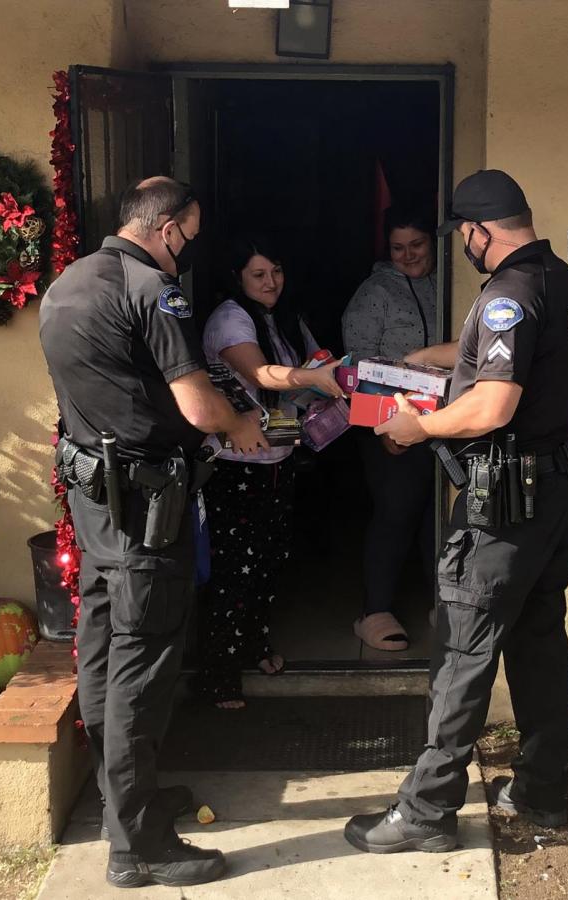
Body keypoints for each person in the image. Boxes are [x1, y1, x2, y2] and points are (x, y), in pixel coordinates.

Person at [343, 170, 568, 853]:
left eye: (465, 237)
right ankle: (542, 789)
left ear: (482, 231)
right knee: (540, 638)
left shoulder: (506, 296)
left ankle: (425, 814)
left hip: (504, 505)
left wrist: (417, 429)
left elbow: (493, 404)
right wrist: (437, 357)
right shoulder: (565, 283)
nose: (465, 249)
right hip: (556, 492)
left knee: (461, 650)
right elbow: (516, 357)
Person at [40, 177, 264, 888]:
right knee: (142, 671)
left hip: (95, 505)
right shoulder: (151, 290)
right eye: (190, 237)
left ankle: (124, 803)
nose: (188, 252)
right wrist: (241, 424)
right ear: (168, 230)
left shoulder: (69, 284)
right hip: (145, 512)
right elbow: (198, 406)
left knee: (105, 657)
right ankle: (137, 848)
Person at [194, 232, 342, 709]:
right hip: (237, 465)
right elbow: (260, 375)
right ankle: (219, 676)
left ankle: (253, 646)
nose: (270, 281)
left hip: (276, 457)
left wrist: (332, 373)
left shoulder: (283, 316)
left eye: (276, 271)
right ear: (237, 277)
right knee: (233, 571)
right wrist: (312, 377)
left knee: (269, 562)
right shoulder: (230, 319)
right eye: (258, 274)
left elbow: (314, 365)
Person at [341, 205, 438, 651]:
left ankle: (445, 604)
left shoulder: (450, 280)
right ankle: (373, 610)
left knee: (442, 515)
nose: (408, 255)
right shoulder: (373, 292)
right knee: (396, 511)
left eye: (416, 244)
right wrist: (384, 427)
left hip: (446, 420)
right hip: (390, 423)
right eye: (398, 247)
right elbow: (358, 364)